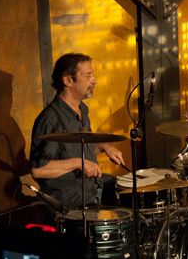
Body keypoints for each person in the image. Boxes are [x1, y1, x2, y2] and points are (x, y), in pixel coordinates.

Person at [30, 53, 126, 212]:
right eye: (88, 75)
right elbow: (38, 170)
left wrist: (105, 146)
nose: (94, 80)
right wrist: (78, 163)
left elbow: (78, 147)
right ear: (68, 81)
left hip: (91, 191)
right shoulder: (50, 119)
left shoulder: (82, 110)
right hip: (70, 204)